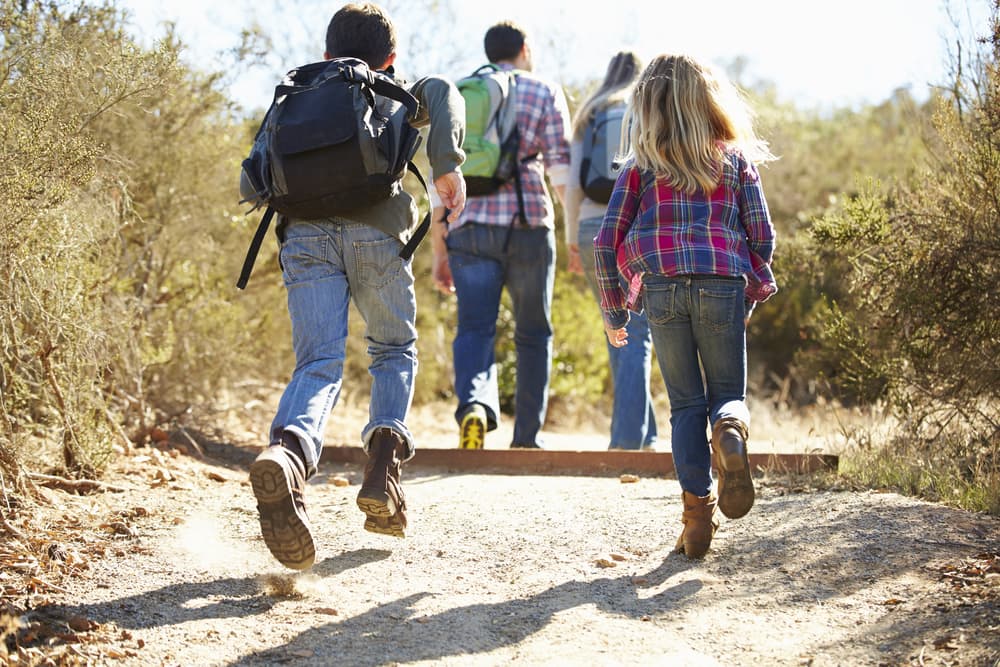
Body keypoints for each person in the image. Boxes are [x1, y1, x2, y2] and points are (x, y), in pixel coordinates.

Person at [249, 2, 466, 571]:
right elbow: (443, 88)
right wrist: (447, 166)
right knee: (393, 349)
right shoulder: (388, 92)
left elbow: (252, 177)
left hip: (304, 240)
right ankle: (382, 470)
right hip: (377, 235)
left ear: (326, 52)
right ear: (390, 58)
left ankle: (289, 453)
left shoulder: (297, 92)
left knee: (317, 363)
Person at [594, 54, 777, 559]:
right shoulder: (735, 161)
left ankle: (697, 520)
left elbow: (606, 240)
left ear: (648, 107)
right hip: (722, 285)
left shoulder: (640, 166)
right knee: (725, 395)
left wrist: (615, 310)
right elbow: (762, 236)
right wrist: (751, 293)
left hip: (663, 289)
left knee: (685, 407)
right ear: (709, 102)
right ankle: (732, 432)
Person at [431, 21, 571, 450]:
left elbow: (440, 178)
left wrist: (440, 249)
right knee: (533, 333)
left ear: (488, 50)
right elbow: (561, 170)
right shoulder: (543, 90)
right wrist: (577, 236)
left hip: (468, 225)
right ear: (525, 48)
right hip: (529, 225)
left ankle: (474, 407)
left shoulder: (458, 93)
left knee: (474, 328)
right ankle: (526, 437)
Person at [565, 50, 658, 451]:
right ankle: (625, 443)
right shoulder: (647, 108)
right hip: (634, 228)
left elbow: (572, 186)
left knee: (618, 331)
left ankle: (646, 435)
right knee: (635, 333)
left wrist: (571, 238)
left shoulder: (590, 113)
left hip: (590, 226)